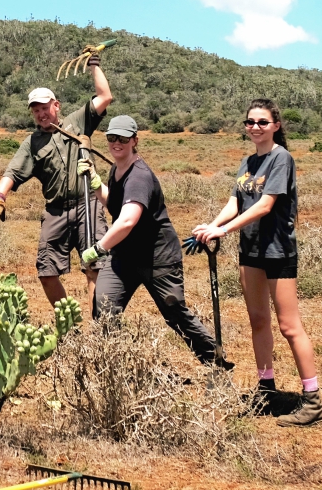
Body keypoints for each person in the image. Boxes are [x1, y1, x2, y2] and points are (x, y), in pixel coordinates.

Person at [193, 100, 322, 426]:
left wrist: (222, 230)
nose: (255, 127)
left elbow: (265, 206)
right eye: (250, 121)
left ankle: (312, 400)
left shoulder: (282, 158)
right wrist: (212, 226)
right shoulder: (248, 161)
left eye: (262, 122)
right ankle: (266, 390)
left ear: (276, 125)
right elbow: (235, 202)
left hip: (277, 251)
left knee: (289, 326)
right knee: (257, 321)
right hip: (250, 250)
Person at [79, 115, 231, 369]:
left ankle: (216, 363)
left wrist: (98, 248)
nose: (116, 143)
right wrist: (96, 184)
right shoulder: (117, 168)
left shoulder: (139, 176)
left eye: (123, 139)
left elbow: (127, 220)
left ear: (134, 140)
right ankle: (111, 367)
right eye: (111, 138)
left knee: (174, 313)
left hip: (157, 257)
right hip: (125, 257)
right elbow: (117, 205)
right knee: (104, 307)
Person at [0, 55, 113, 307]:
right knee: (46, 272)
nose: (41, 114)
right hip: (55, 211)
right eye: (36, 110)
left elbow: (105, 96)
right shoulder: (32, 142)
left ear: (56, 105)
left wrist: (94, 66)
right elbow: (12, 172)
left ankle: (101, 327)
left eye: (45, 108)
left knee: (95, 267)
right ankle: (69, 322)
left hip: (88, 204)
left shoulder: (78, 122)